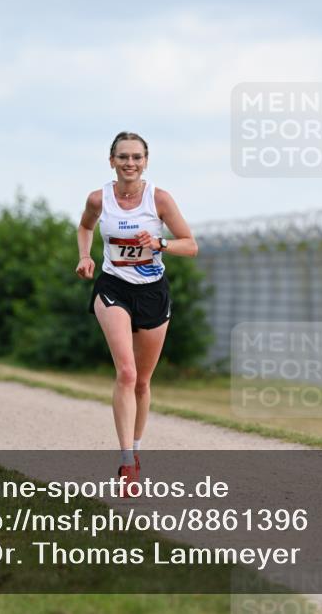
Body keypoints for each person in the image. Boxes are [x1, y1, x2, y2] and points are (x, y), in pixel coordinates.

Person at [75, 132, 197, 494]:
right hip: (114, 288)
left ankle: (138, 450)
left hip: (153, 293)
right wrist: (85, 256)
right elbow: (85, 227)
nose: (130, 163)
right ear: (111, 160)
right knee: (126, 373)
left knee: (143, 382)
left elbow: (190, 245)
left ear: (146, 161)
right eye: (123, 157)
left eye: (137, 157)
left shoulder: (159, 199)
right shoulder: (99, 198)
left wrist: (160, 243)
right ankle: (127, 462)